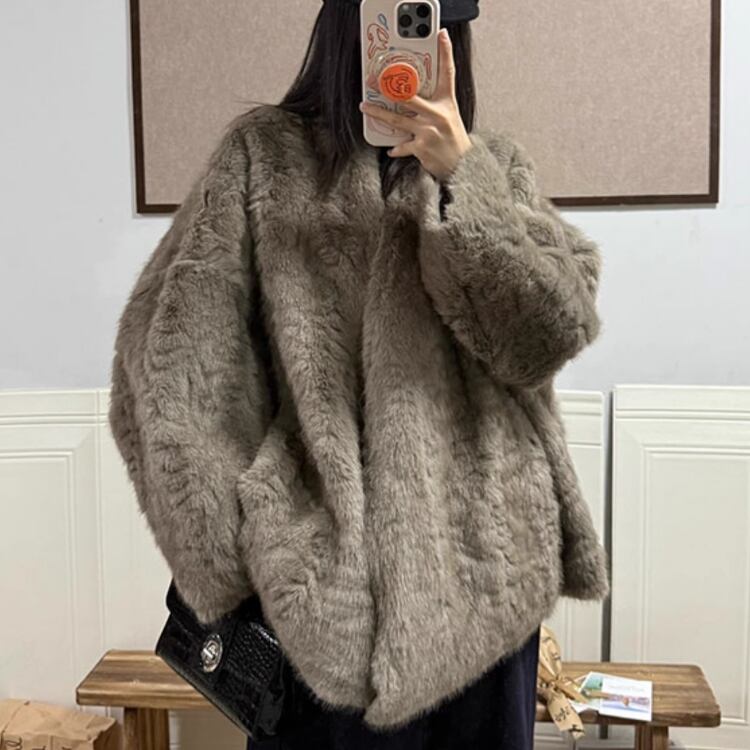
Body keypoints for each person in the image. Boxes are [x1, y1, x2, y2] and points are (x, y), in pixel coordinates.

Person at [107, 0, 610, 748]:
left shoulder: (492, 167)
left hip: (490, 586)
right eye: (386, 13)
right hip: (325, 616)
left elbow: (547, 336)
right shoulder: (262, 159)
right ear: (350, 22)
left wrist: (462, 178)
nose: (403, 44)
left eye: (429, 22)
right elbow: (172, 367)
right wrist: (245, 562)